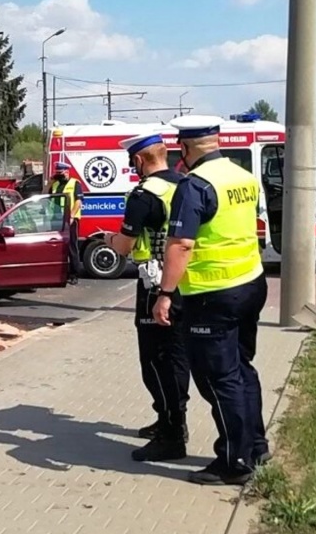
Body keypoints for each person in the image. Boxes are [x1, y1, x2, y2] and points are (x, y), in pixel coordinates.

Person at [152, 115, 269, 486]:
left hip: (212, 295)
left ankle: (234, 462)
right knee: (242, 368)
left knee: (218, 379)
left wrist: (165, 294)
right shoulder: (242, 176)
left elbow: (182, 244)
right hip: (251, 282)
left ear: (185, 149)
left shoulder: (195, 186)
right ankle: (256, 445)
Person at [101, 131, 190, 462]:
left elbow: (124, 246)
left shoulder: (144, 194)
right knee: (177, 355)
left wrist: (108, 240)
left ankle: (172, 433)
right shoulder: (185, 185)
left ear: (139, 160)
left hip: (154, 286)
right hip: (185, 281)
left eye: (132, 162)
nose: (133, 167)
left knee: (154, 359)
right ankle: (172, 420)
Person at [49, 162, 83, 284]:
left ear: (67, 171)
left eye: (60, 173)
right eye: (57, 172)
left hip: (70, 219)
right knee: (56, 247)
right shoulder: (55, 184)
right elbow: (43, 196)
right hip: (56, 219)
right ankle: (59, 274)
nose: (59, 175)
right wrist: (50, 182)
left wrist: (72, 216)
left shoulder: (75, 183)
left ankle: (74, 274)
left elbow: (79, 202)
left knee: (71, 247)